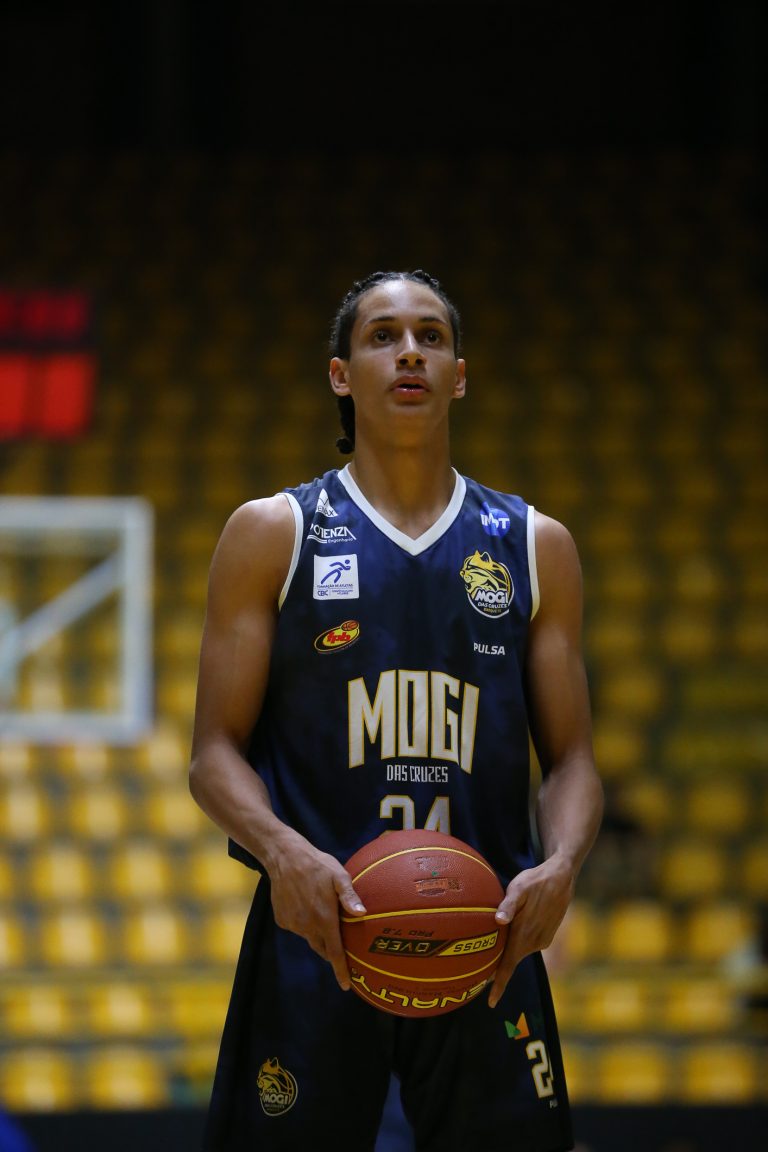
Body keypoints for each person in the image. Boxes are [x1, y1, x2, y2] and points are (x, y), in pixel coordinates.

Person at [189, 269, 604, 1151]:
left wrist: (563, 865)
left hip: (484, 941)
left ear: (460, 375)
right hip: (317, 936)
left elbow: (572, 761)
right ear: (341, 375)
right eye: (383, 335)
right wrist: (281, 851)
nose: (409, 351)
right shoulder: (273, 533)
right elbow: (213, 753)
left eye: (430, 336)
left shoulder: (536, 547)